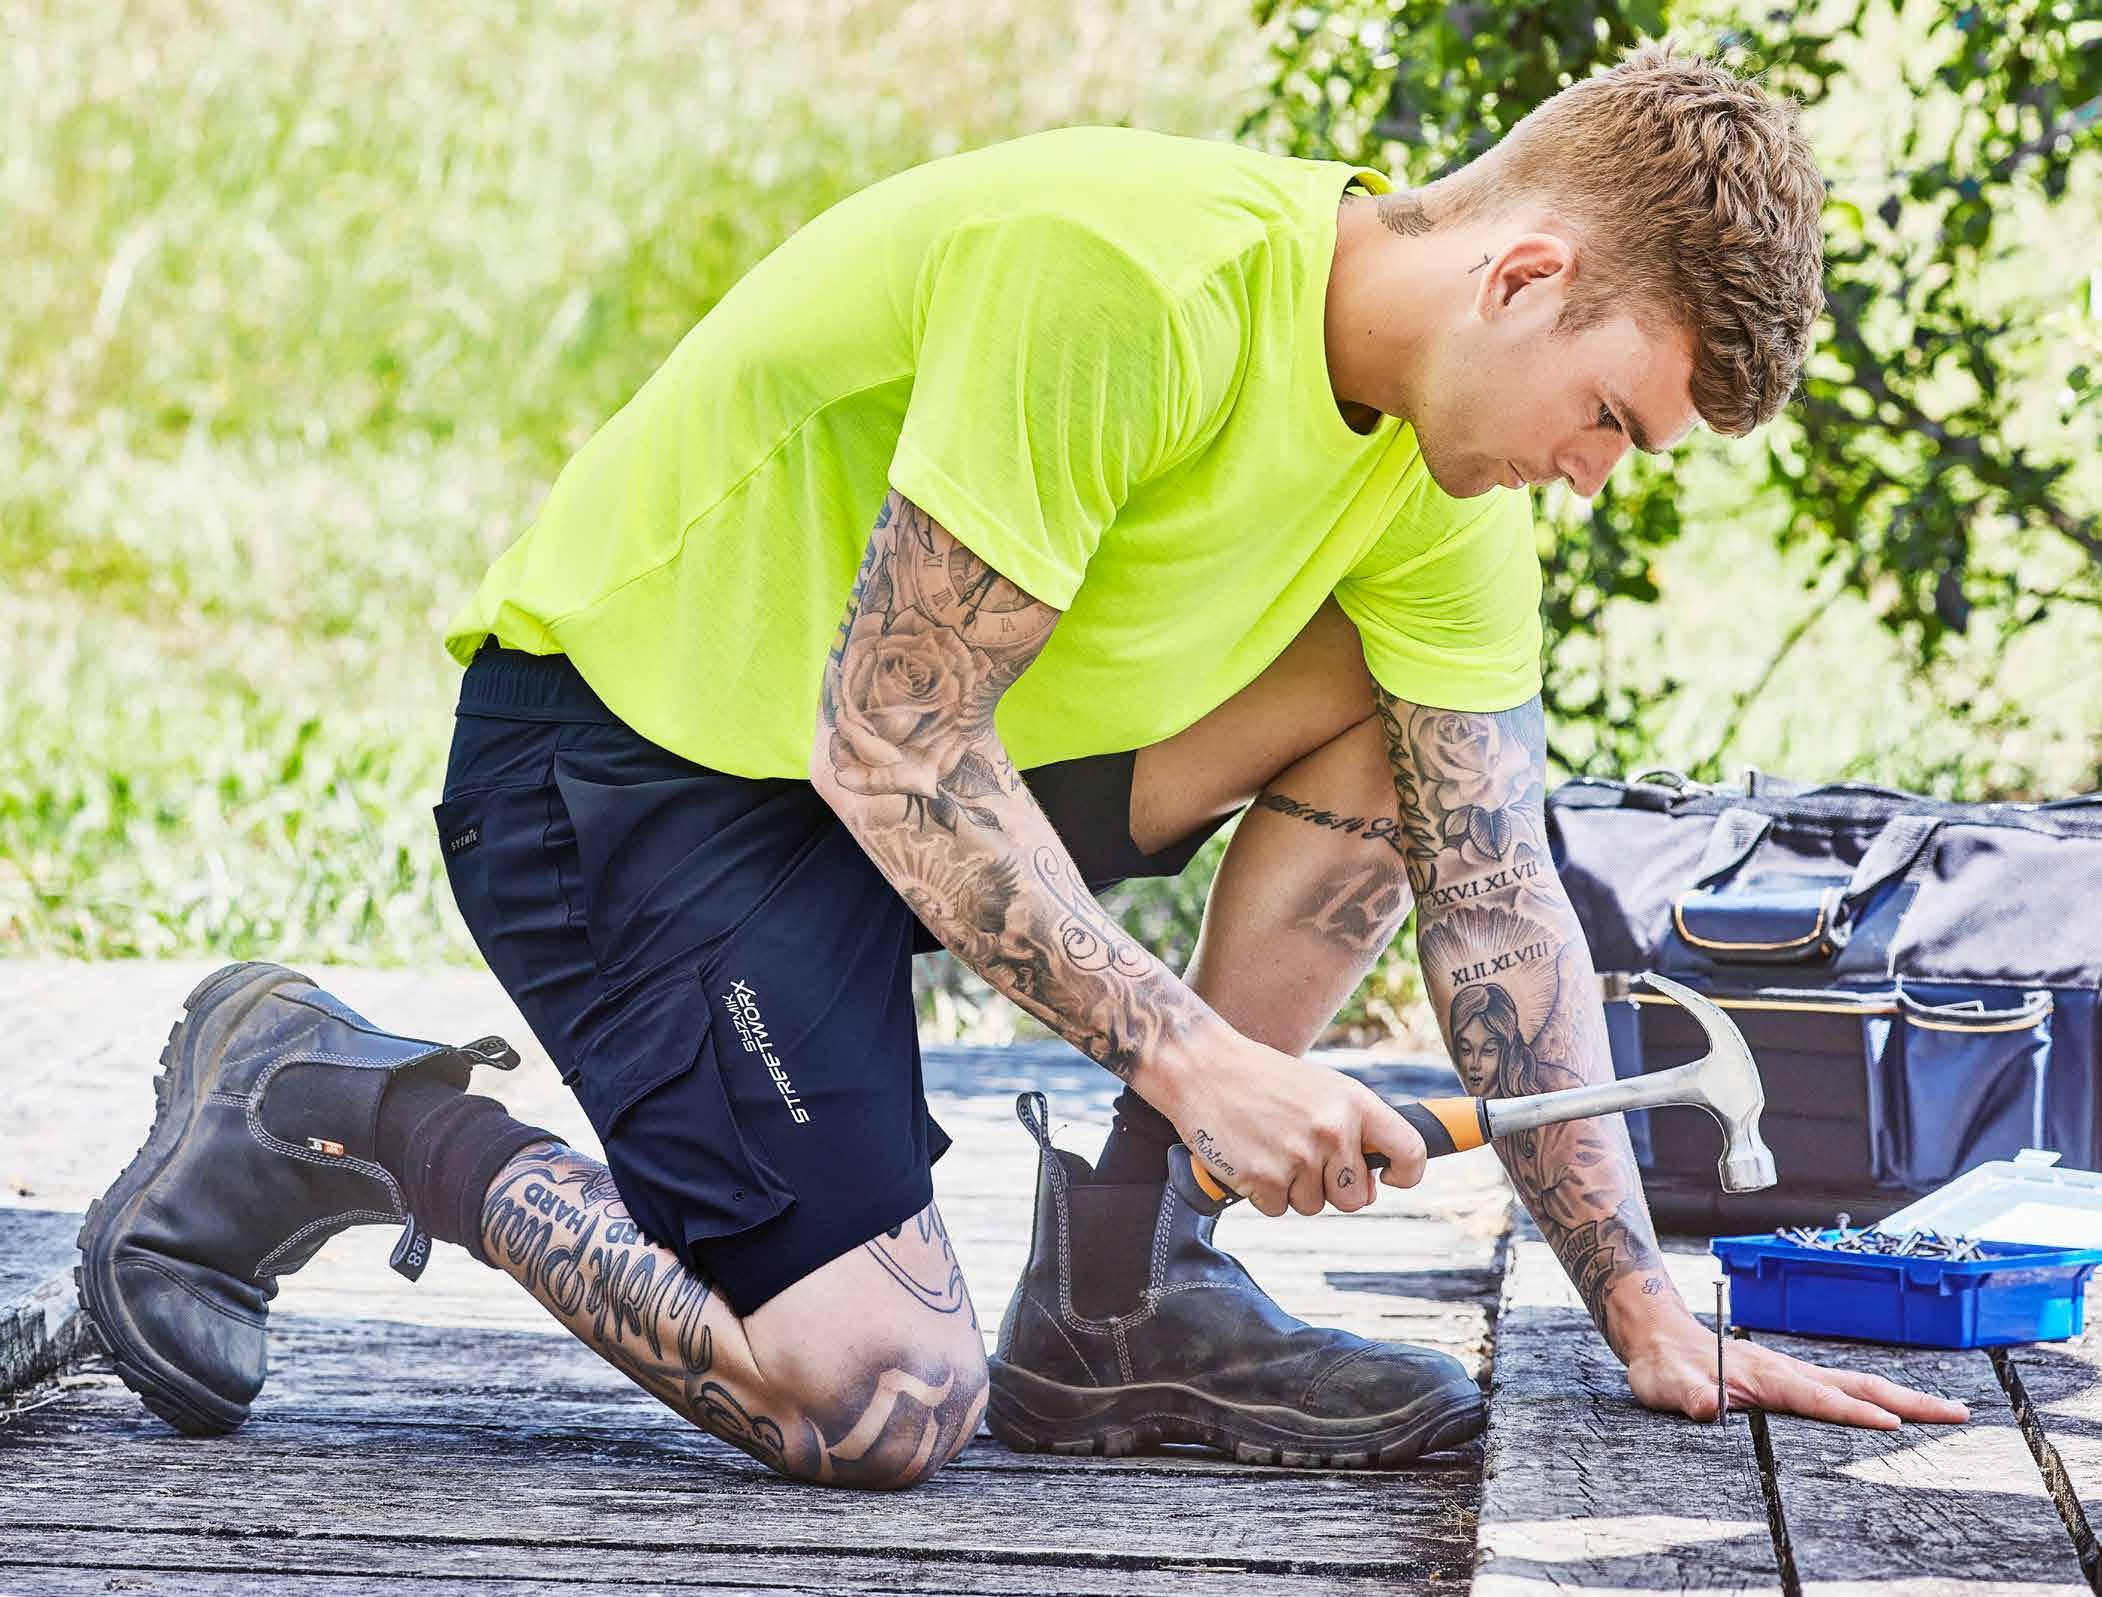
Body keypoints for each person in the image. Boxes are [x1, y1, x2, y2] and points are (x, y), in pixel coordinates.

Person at [77, 41, 1969, 1490]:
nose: (1593, 472)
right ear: (1523, 275)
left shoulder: (1440, 483)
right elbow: (888, 736)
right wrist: (1200, 1057)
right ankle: (337, 1102)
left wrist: (1644, 1310)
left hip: (908, 784)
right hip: (628, 768)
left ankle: (1127, 1284)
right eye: (1610, 416)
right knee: (876, 1400)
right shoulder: (1124, 279)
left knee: (1403, 725)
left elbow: (1492, 889)